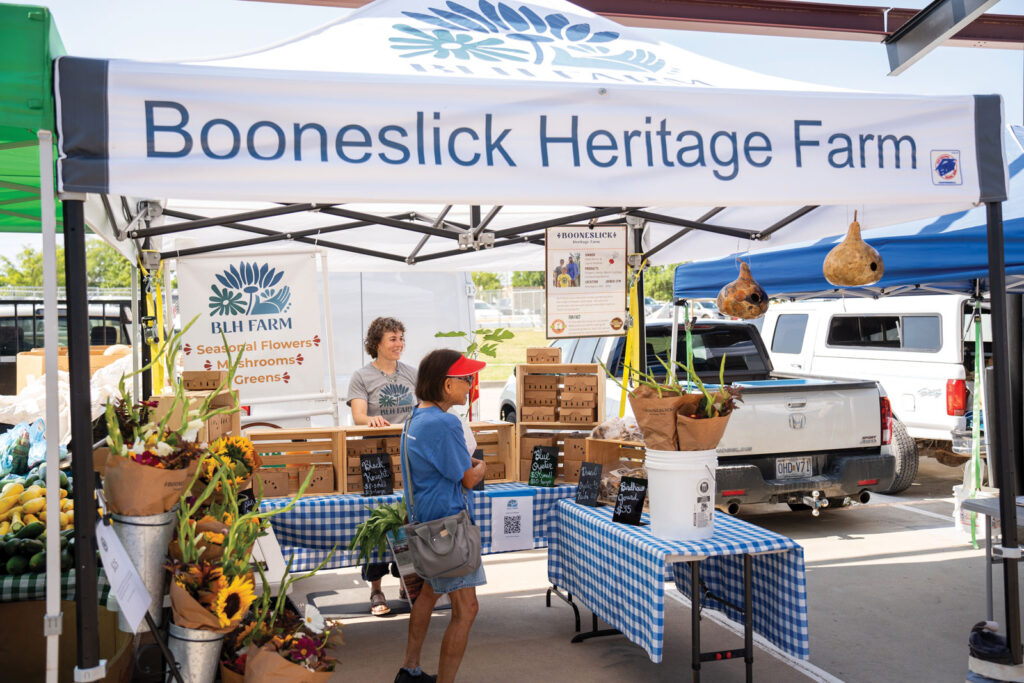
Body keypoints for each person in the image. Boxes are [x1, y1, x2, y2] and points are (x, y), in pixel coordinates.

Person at [396, 349, 487, 683]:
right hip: (448, 528)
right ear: (447, 385)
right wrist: (481, 466)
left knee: (429, 594)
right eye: (465, 379)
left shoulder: (415, 418)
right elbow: (466, 477)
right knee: (467, 609)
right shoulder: (445, 422)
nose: (470, 385)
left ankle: (410, 668)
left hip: (426, 525)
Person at [348, 316, 418, 616]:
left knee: (410, 519)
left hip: (411, 453)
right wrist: (371, 420)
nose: (399, 343)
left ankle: (408, 579)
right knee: (377, 521)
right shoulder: (362, 376)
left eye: (401, 337)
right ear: (377, 343)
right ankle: (376, 590)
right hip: (377, 458)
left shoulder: (412, 373)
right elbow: (358, 416)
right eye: (392, 338)